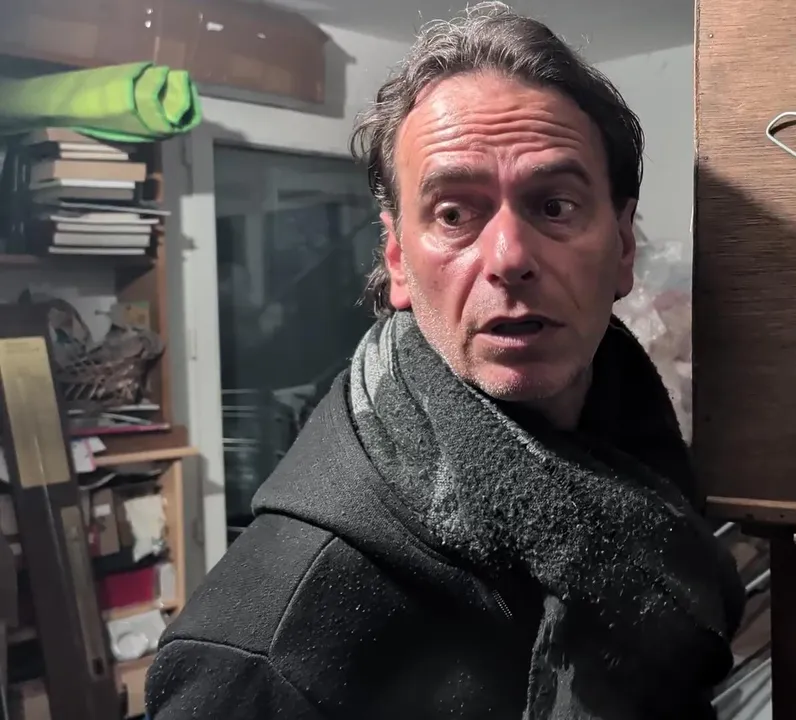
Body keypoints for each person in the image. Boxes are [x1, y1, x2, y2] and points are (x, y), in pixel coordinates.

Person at [144, 4, 745, 718]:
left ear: (622, 248)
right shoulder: (263, 652)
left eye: (554, 206)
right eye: (455, 214)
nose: (509, 258)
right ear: (398, 260)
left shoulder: (645, 473)